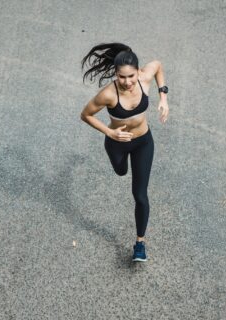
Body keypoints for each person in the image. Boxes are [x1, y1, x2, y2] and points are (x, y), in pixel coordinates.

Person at [80, 42, 169, 262]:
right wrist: (109, 134)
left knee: (140, 194)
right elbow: (86, 115)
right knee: (121, 171)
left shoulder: (144, 79)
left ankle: (140, 243)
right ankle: (118, 159)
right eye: (121, 77)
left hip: (143, 143)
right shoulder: (108, 95)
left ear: (138, 72)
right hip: (117, 143)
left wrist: (164, 97)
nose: (127, 82)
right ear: (115, 74)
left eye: (130, 76)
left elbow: (157, 65)